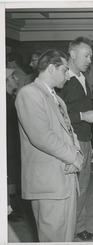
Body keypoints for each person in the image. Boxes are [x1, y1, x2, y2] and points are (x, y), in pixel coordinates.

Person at [15, 49, 84, 242]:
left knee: (66, 234)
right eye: (64, 70)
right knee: (52, 236)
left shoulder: (57, 98)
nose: (68, 76)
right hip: (48, 181)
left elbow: (70, 133)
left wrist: (77, 154)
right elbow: (41, 136)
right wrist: (73, 157)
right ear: (52, 68)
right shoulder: (29, 93)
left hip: (66, 176)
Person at [57, 36, 93, 241]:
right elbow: (56, 116)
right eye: (87, 55)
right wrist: (83, 116)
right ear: (72, 54)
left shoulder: (83, 78)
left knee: (82, 188)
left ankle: (78, 227)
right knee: (73, 190)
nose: (90, 59)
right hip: (71, 142)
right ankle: (68, 230)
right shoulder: (62, 80)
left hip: (86, 138)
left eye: (90, 56)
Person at [6, 68, 24, 222]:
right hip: (10, 147)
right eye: (12, 77)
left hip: (11, 146)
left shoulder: (10, 98)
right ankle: (9, 210)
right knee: (11, 179)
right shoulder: (7, 101)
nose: (16, 79)